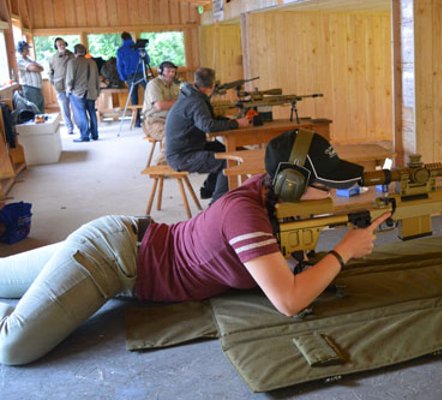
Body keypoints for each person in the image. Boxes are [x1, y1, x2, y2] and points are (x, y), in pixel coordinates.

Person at [0, 129, 392, 365]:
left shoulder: (264, 199)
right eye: (325, 186)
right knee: (13, 347)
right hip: (110, 261)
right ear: (289, 183)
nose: (332, 194)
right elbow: (289, 302)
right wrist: (345, 249)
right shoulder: (246, 213)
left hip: (120, 244)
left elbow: (280, 266)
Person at [165, 67, 249, 202]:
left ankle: (209, 189)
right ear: (212, 85)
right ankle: (217, 204)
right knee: (228, 161)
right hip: (182, 156)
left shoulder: (190, 94)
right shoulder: (196, 101)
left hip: (190, 146)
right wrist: (236, 123)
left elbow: (207, 120)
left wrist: (230, 121)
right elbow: (208, 127)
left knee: (230, 151)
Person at [142, 61, 180, 164]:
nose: (171, 74)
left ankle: (181, 160)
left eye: (173, 71)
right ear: (160, 72)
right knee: (169, 134)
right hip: (153, 121)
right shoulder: (154, 84)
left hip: (171, 119)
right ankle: (161, 164)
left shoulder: (174, 86)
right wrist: (179, 103)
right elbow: (159, 106)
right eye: (168, 71)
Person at [66, 44, 100, 142]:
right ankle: (95, 134)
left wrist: (68, 89)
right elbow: (97, 78)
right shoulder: (92, 62)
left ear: (75, 52)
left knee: (81, 113)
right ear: (85, 52)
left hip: (78, 92)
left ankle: (84, 136)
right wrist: (97, 91)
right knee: (92, 112)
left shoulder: (72, 62)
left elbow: (70, 78)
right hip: (92, 92)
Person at [116, 32, 150, 128]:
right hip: (142, 72)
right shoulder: (139, 47)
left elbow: (120, 66)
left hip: (130, 75)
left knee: (134, 98)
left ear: (122, 39)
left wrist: (123, 78)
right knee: (149, 94)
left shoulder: (121, 50)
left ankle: (137, 121)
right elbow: (147, 60)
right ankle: (150, 117)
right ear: (131, 38)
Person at [48, 37, 75, 135]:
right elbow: (50, 72)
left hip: (73, 86)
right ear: (56, 46)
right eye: (59, 45)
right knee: (64, 108)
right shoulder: (53, 58)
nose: (62, 46)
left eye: (63, 44)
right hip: (60, 87)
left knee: (75, 107)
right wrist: (53, 82)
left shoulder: (72, 55)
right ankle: (69, 127)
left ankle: (79, 125)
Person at [16, 41, 45, 113]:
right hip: (30, 88)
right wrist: (35, 66)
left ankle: (42, 124)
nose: (28, 50)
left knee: (40, 108)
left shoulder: (29, 59)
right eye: (26, 48)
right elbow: (34, 68)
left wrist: (36, 66)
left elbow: (41, 68)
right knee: (35, 109)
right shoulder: (19, 60)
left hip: (37, 87)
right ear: (21, 49)